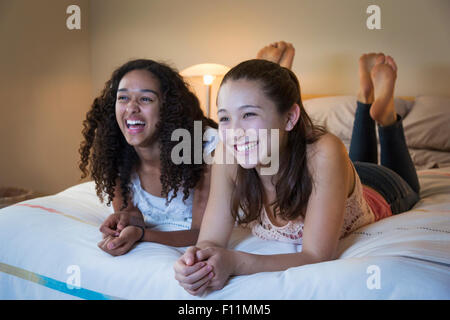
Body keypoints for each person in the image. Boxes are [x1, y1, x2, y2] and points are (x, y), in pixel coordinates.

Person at [173, 42, 420, 296]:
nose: (234, 132)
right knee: (354, 158)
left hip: (381, 188)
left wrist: (235, 261)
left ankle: (385, 114)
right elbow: (210, 240)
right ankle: (365, 97)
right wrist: (197, 260)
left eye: (248, 114)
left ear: (290, 118)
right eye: (225, 118)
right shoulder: (227, 152)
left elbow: (316, 256)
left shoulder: (325, 150)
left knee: (400, 178)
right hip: (333, 174)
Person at [79, 59, 217, 256]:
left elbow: (203, 234)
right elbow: (132, 213)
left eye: (145, 99)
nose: (131, 108)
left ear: (168, 108)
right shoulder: (115, 151)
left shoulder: (205, 148)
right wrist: (123, 221)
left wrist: (141, 234)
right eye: (123, 98)